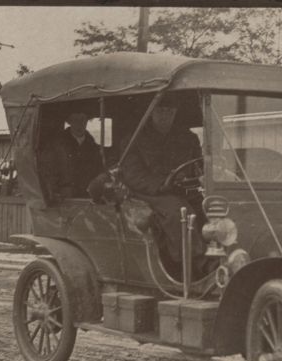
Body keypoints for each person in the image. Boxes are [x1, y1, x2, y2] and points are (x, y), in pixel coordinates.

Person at [119, 94, 205, 265]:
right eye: (161, 111)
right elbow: (133, 176)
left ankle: (220, 258)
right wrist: (163, 185)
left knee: (210, 208)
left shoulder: (188, 138)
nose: (166, 115)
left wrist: (199, 177)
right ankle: (190, 263)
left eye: (170, 111)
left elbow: (199, 166)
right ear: (151, 112)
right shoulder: (134, 139)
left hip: (184, 190)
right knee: (177, 211)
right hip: (149, 191)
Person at [40, 111, 103, 200]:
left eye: (83, 120)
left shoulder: (94, 147)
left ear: (86, 121)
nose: (79, 124)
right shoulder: (57, 146)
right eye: (75, 120)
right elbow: (48, 172)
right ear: (69, 121)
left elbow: (99, 172)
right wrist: (54, 192)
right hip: (64, 199)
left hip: (88, 198)